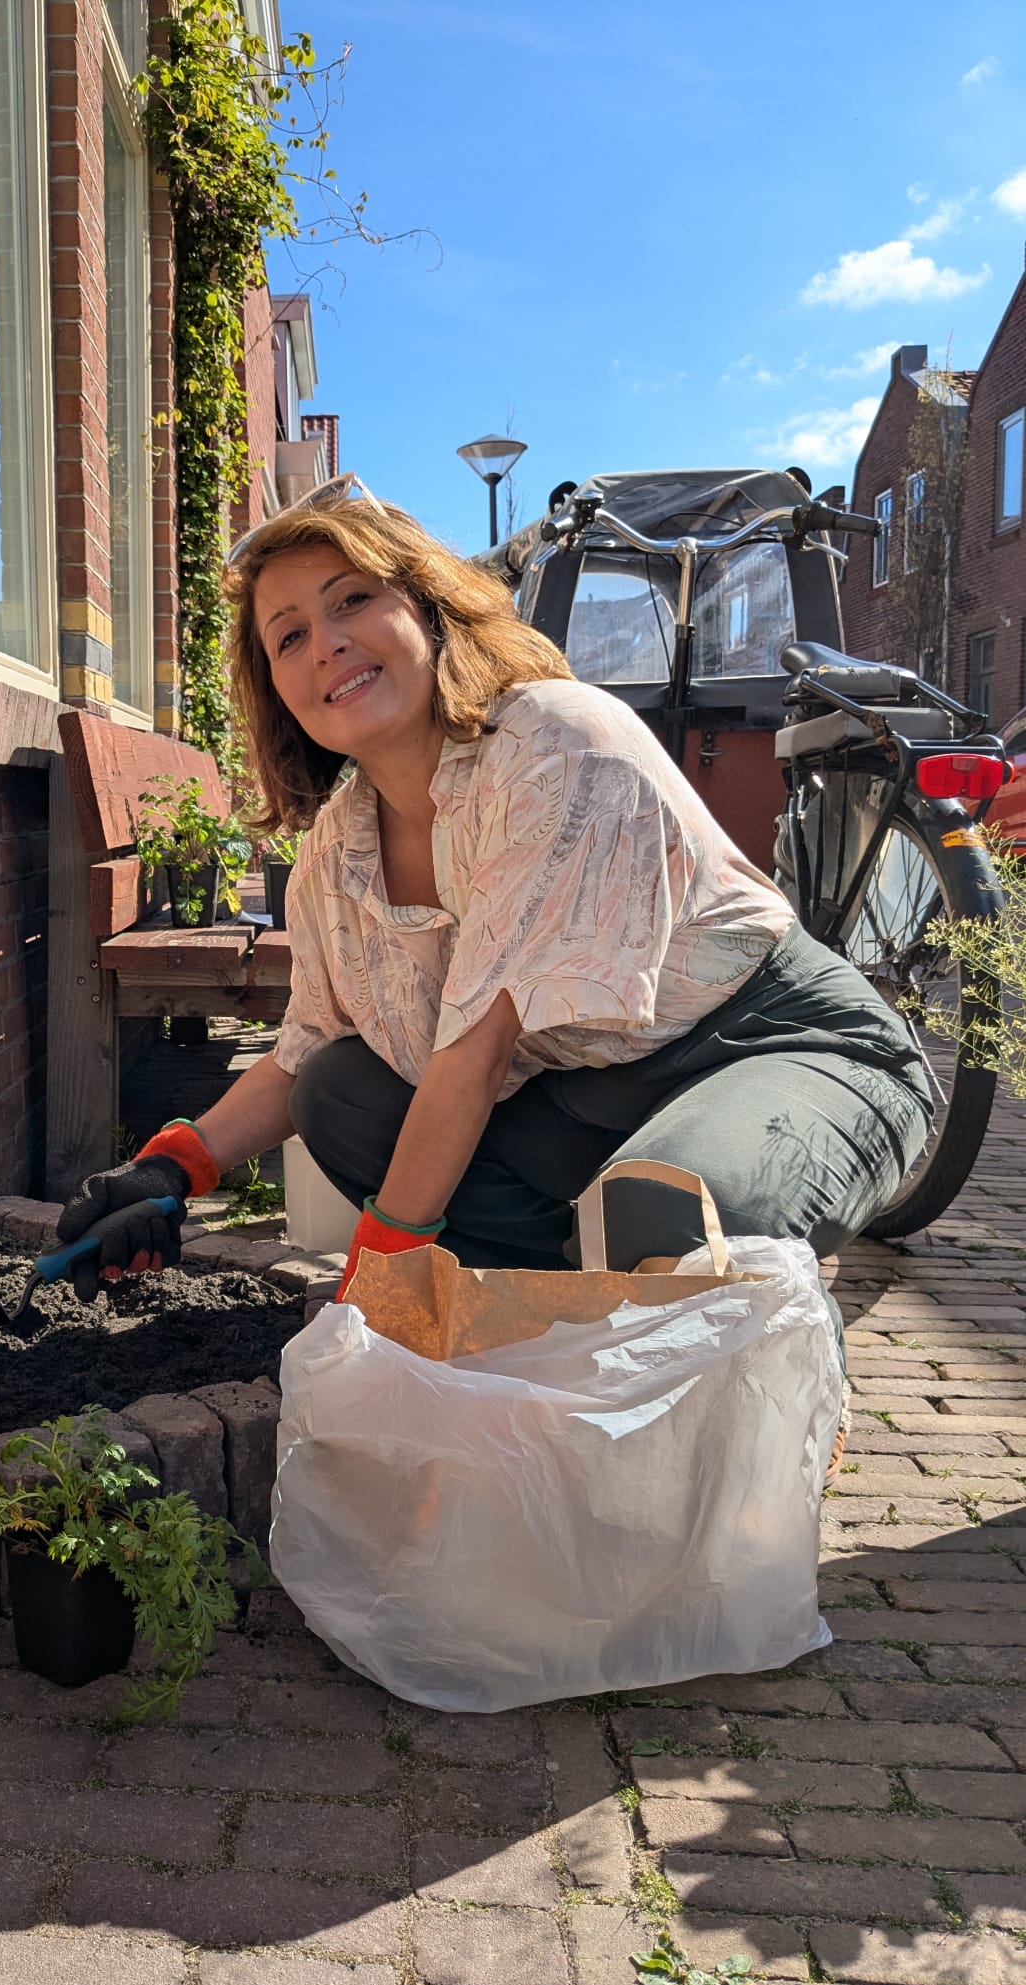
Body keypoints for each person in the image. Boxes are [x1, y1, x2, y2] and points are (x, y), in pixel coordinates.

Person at [57, 480, 931, 1450]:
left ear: (426, 607)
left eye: (353, 599)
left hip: (775, 1046)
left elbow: (470, 1061)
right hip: (591, 1097)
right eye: (289, 635)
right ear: (275, 688)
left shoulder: (551, 744)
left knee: (669, 1213)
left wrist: (378, 1294)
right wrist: (172, 1170)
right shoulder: (338, 851)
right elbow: (307, 1049)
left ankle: (779, 1381)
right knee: (342, 1094)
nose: (328, 643)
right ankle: (571, 1311)